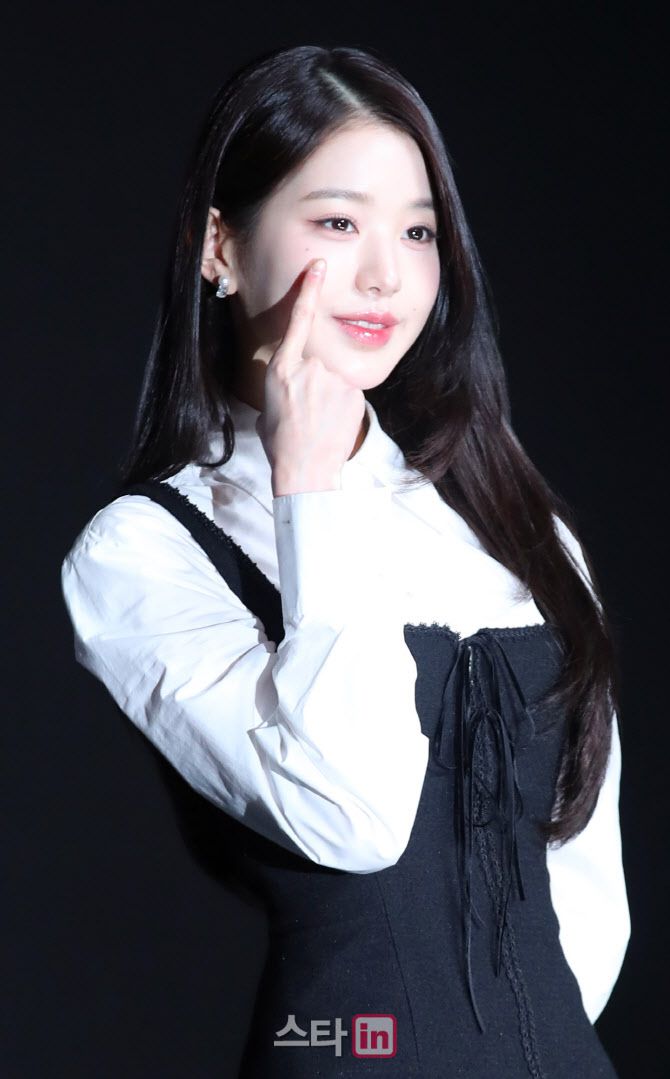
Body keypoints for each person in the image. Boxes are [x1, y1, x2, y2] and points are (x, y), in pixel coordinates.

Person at [60, 43, 630, 1077]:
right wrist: (309, 490)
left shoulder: (516, 520)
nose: (384, 274)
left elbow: (586, 885)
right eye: (336, 222)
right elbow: (353, 818)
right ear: (219, 246)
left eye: (417, 230)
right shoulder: (141, 549)